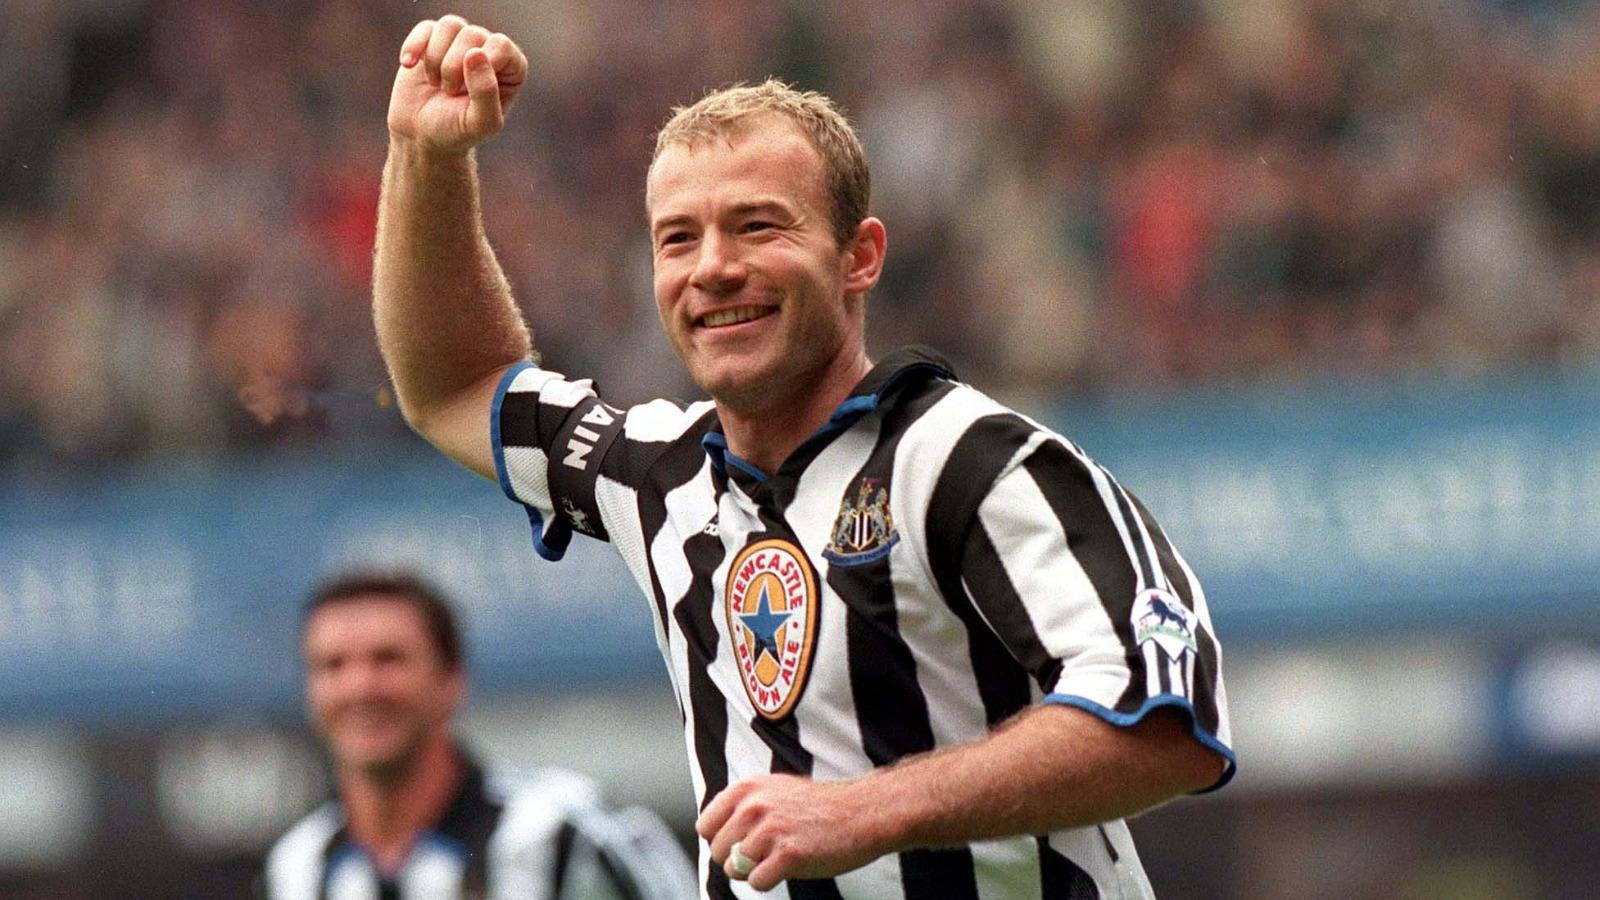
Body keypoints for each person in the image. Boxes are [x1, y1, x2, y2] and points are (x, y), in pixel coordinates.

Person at [372, 15, 1237, 899]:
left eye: (757, 227)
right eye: (678, 238)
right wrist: (425, 155)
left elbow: (1169, 726)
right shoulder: (656, 475)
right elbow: (454, 384)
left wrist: (863, 810)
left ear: (859, 257)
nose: (713, 267)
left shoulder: (974, 462)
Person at [261, 570, 698, 900]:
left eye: (388, 659)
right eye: (333, 666)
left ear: (451, 679)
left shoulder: (566, 834)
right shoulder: (297, 867)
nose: (361, 688)